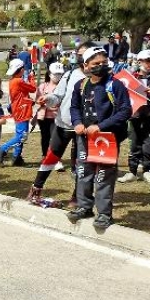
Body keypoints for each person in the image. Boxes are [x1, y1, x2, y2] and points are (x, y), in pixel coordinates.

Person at [68, 46, 132, 229]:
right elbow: (74, 108)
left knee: (104, 176)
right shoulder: (80, 85)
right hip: (84, 138)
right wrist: (77, 123)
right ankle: (84, 206)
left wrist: (100, 126)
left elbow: (125, 111)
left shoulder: (115, 85)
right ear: (86, 65)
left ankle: (104, 214)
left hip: (106, 139)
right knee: (83, 173)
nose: (101, 66)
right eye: (96, 63)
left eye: (104, 62)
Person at [27, 42, 95, 205]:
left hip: (84, 129)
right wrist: (48, 98)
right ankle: (36, 189)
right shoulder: (70, 74)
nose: (81, 57)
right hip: (63, 124)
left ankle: (78, 196)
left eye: (85, 54)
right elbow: (57, 96)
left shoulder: (98, 79)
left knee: (82, 162)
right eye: (79, 54)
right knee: (51, 157)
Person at [118, 49, 150, 184]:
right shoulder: (131, 77)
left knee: (149, 146)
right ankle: (132, 171)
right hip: (135, 116)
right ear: (139, 62)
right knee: (134, 143)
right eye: (148, 61)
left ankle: (147, 170)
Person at [0, 59, 37, 167]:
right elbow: (33, 89)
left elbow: (22, 95)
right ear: (21, 70)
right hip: (21, 111)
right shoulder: (18, 81)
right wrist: (31, 77)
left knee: (21, 135)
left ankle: (17, 157)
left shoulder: (13, 81)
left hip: (20, 109)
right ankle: (2, 149)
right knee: (21, 136)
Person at [36, 63, 64, 158]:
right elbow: (37, 99)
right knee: (45, 137)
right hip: (43, 117)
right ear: (50, 74)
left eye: (60, 74)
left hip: (57, 117)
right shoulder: (43, 86)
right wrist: (41, 102)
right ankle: (45, 156)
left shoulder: (63, 87)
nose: (57, 76)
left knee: (55, 138)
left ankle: (55, 158)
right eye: (55, 74)